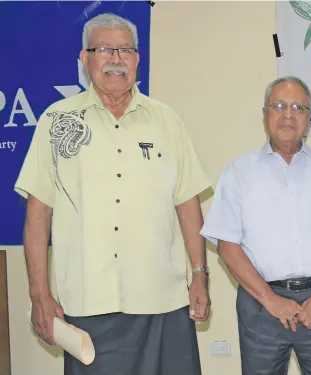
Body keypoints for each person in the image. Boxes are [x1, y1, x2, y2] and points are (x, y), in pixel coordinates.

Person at [15, 13, 212, 375]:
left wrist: (200, 274)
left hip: (163, 302)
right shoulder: (56, 123)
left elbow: (187, 203)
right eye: (104, 49)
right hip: (91, 306)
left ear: (138, 59)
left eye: (126, 50)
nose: (116, 58)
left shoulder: (167, 121)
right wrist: (39, 294)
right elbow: (38, 217)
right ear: (84, 59)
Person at [200, 76, 311, 375]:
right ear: (265, 113)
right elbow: (227, 246)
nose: (288, 115)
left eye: (298, 107)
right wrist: (270, 300)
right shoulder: (239, 171)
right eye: (279, 105)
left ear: (310, 117)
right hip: (260, 306)